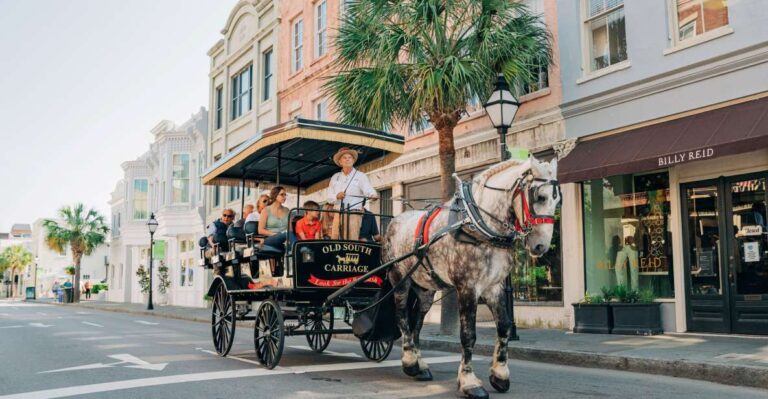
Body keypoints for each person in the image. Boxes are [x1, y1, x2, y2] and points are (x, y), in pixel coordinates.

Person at [326, 147, 378, 240]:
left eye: (349, 157)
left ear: (353, 160)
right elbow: (329, 196)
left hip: (354, 213)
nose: (347, 159)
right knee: (335, 239)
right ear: (340, 161)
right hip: (338, 213)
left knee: (351, 241)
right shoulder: (335, 177)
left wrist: (373, 195)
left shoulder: (361, 176)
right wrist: (337, 196)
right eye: (344, 157)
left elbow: (368, 190)